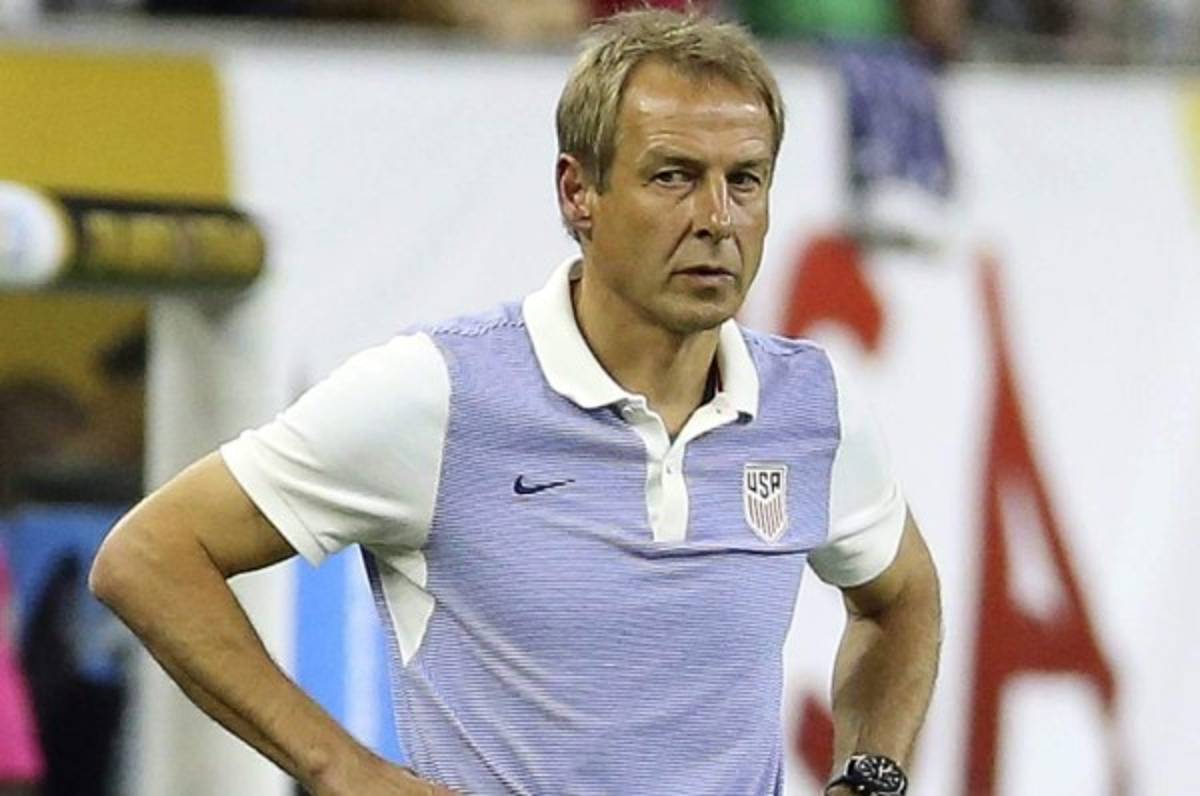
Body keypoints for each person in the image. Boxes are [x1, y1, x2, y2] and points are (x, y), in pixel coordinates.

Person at [90, 9, 941, 795]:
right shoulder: (438, 392)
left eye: (745, 180)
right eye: (673, 177)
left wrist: (870, 778)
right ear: (579, 193)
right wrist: (338, 766)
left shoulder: (809, 406)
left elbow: (902, 599)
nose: (717, 218)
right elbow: (151, 556)